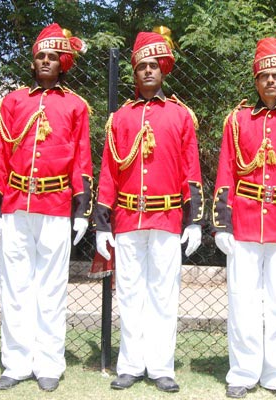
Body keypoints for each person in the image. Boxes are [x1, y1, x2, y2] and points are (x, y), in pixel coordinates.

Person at [0, 23, 93, 392]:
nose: (45, 62)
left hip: (57, 205)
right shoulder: (13, 102)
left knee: (51, 287)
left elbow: (81, 161)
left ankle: (48, 363)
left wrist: (82, 210)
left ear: (63, 62)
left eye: (52, 57)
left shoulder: (76, 106)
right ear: (33, 61)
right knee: (14, 287)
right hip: (14, 205)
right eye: (40, 56)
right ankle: (15, 362)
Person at [94, 28, 204, 393]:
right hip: (126, 218)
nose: (147, 72)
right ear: (134, 72)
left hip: (168, 218)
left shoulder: (181, 116)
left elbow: (191, 169)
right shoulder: (120, 118)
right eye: (141, 66)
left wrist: (195, 219)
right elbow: (109, 171)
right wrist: (101, 222)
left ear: (164, 70)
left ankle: (160, 366)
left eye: (153, 65)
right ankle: (130, 364)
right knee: (129, 292)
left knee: (162, 293)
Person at [212, 27, 276, 400]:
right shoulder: (237, 120)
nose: (270, 82)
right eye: (264, 76)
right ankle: (241, 373)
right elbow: (226, 171)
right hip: (243, 220)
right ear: (256, 80)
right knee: (241, 301)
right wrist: (221, 223)